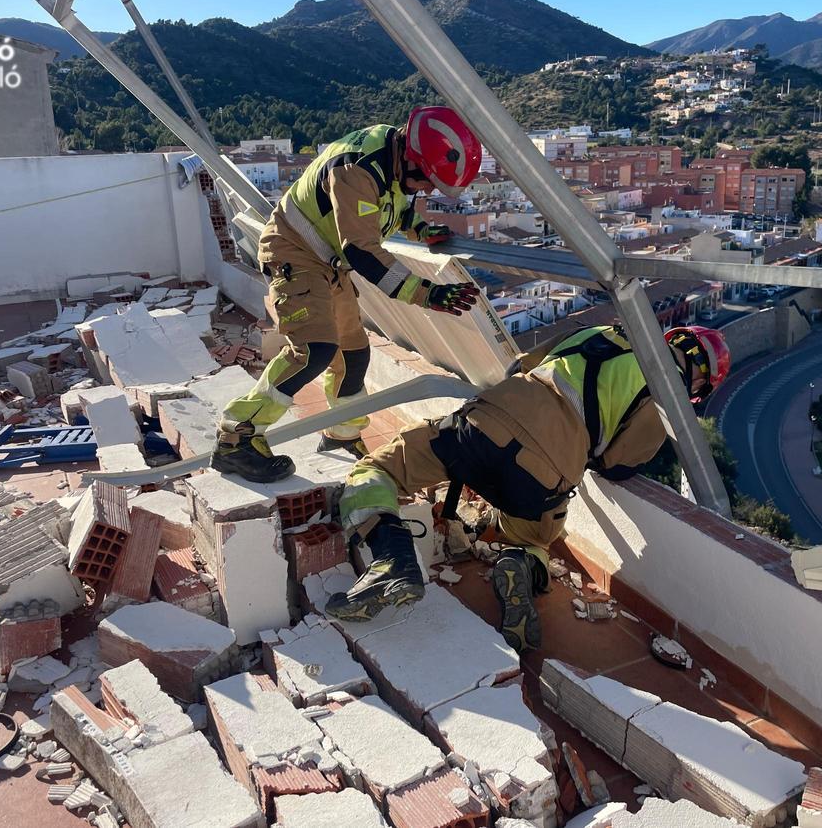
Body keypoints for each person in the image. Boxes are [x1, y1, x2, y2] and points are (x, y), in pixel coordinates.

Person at [327, 323, 731, 652]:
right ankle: (520, 562)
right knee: (537, 536)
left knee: (378, 468)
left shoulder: (604, 330)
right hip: (542, 476)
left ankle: (391, 555)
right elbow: (617, 464)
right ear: (700, 381)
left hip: (484, 425)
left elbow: (520, 365)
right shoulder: (667, 395)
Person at [214, 107, 484, 483]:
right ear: (411, 156)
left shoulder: (394, 152)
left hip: (328, 260)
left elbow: (393, 203)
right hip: (295, 253)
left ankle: (342, 435)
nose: (428, 189)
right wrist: (428, 294)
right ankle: (235, 437)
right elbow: (362, 251)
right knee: (314, 351)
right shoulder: (357, 169)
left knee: (354, 355)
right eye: (426, 180)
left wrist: (420, 229)